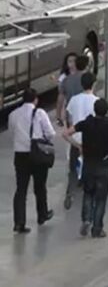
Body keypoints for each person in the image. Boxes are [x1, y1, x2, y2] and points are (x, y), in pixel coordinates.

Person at [63, 99, 108, 238]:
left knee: (88, 194)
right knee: (101, 199)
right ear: (107, 112)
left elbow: (66, 134)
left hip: (88, 165)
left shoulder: (86, 123)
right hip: (102, 166)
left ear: (94, 109)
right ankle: (97, 228)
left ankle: (86, 219)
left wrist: (78, 145)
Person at [9, 89, 55, 233]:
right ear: (35, 99)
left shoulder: (13, 114)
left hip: (20, 155)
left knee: (21, 189)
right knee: (40, 186)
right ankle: (42, 214)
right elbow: (51, 133)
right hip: (38, 154)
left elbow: (12, 132)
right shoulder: (40, 113)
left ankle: (19, 222)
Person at [60, 55, 91, 210]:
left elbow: (63, 103)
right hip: (88, 130)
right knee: (88, 160)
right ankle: (83, 182)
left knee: (73, 160)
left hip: (75, 127)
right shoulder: (89, 89)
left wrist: (64, 120)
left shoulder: (67, 81)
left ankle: (69, 191)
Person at [55, 52, 78, 126]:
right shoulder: (64, 78)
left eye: (74, 61)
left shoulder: (83, 75)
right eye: (70, 61)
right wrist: (58, 116)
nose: (72, 63)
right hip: (71, 109)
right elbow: (60, 97)